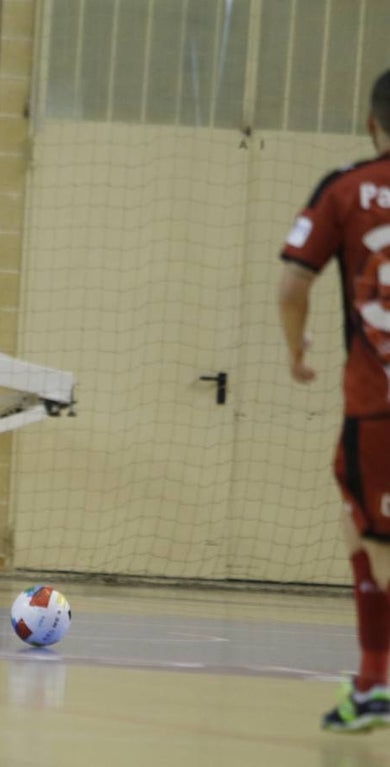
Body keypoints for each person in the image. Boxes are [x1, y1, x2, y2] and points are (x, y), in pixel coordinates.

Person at [279, 69, 390, 733]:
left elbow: (294, 284)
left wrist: (296, 353)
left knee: (376, 539)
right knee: (359, 524)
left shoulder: (347, 188)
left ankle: (378, 680)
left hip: (377, 405)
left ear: (373, 122)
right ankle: (372, 678)